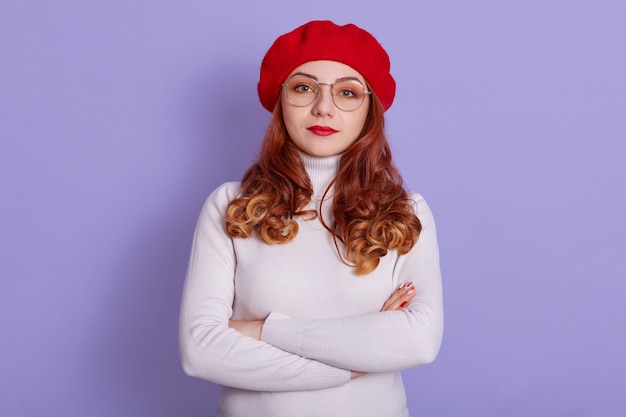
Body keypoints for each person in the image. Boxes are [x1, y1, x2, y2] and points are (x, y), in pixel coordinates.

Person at [179, 20, 444, 417]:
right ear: (280, 100)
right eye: (304, 87)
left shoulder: (406, 212)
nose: (324, 107)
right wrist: (356, 363)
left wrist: (264, 329)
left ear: (370, 110)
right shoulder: (230, 205)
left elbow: (419, 342)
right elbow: (200, 351)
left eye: (347, 92)